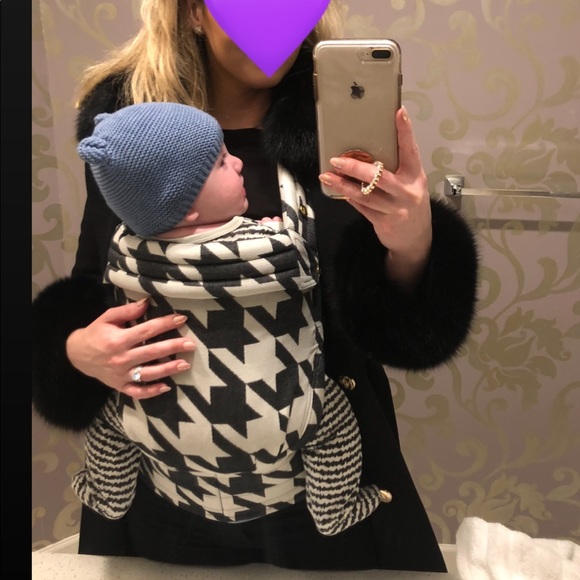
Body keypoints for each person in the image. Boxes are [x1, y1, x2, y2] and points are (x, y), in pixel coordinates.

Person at [32, 0, 479, 572]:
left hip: (326, 477)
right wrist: (77, 351)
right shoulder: (134, 136)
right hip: (164, 476)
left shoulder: (338, 125)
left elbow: (397, 332)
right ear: (193, 12)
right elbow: (91, 286)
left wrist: (413, 239)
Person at [72, 100, 391, 537]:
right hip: (279, 409)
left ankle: (107, 496)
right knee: (332, 425)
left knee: (111, 423)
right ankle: (333, 509)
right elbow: (289, 250)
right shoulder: (273, 244)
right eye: (222, 161)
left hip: (163, 414)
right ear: (186, 207)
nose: (238, 162)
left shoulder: (127, 249)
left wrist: (78, 349)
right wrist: (275, 230)